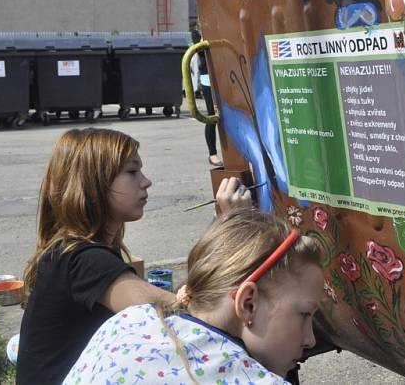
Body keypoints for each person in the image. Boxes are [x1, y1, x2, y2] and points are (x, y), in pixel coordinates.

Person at [17, 128, 252, 384]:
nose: (146, 181)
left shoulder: (75, 249)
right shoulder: (83, 259)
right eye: (132, 172)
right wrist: (232, 224)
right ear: (94, 183)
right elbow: (183, 316)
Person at [64, 207, 325, 384]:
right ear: (248, 303)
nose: (310, 339)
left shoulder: (130, 320)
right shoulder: (252, 379)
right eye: (304, 315)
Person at [192, 28, 221, 166]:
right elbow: (200, 50)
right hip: (207, 79)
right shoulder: (197, 33)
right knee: (212, 116)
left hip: (223, 76)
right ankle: (212, 154)